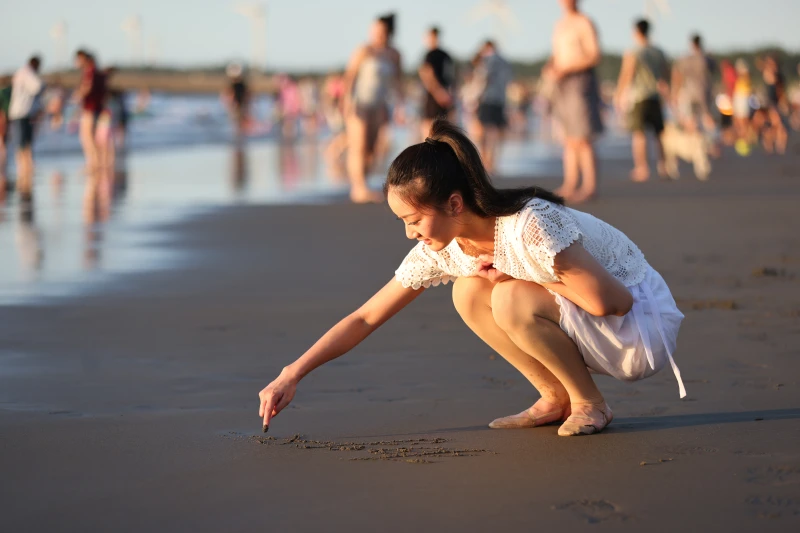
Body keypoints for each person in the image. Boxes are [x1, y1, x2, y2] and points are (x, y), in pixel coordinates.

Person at [258, 118, 686, 437]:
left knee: (506, 297)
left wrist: (514, 273)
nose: (410, 233)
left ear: (455, 204)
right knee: (468, 291)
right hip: (601, 322)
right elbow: (367, 317)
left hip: (640, 328)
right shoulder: (448, 248)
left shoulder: (528, 225)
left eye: (414, 220)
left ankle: (590, 403)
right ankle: (556, 397)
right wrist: (292, 373)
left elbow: (613, 302)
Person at [343, 13, 404, 203]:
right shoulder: (364, 50)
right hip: (359, 103)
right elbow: (350, 77)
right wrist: (345, 102)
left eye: (380, 30)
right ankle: (358, 188)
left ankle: (364, 181)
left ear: (388, 32)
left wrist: (400, 104)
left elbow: (397, 81)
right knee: (358, 145)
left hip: (380, 105)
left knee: (373, 149)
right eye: (374, 30)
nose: (376, 34)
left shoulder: (394, 54)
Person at [548, 0, 603, 203]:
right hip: (561, 81)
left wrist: (568, 68)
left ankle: (590, 186)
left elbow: (594, 55)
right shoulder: (559, 24)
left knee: (583, 135)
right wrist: (552, 67)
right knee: (568, 136)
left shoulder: (584, 22)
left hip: (580, 79)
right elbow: (557, 55)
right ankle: (570, 183)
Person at [614, 19, 669, 182]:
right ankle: (663, 166)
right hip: (655, 96)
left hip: (639, 97)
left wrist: (619, 94)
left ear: (636, 31)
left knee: (639, 134)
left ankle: (642, 168)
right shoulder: (659, 51)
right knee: (659, 133)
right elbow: (665, 73)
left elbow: (627, 74)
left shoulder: (634, 52)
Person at [473, 40, 511, 175]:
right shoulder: (505, 62)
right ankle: (493, 162)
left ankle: (485, 161)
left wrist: (476, 98)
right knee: (495, 132)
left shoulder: (488, 60)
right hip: (500, 100)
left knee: (484, 131)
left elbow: (484, 79)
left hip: (487, 99)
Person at [8, 56, 44, 196]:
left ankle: (25, 168)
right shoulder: (27, 73)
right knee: (22, 141)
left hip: (23, 112)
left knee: (24, 141)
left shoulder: (20, 73)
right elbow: (38, 87)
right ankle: (24, 168)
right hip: (22, 113)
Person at [672, 34, 716, 134]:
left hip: (688, 92)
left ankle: (694, 140)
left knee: (690, 119)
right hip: (703, 91)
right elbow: (713, 71)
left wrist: (675, 91)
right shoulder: (706, 59)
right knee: (707, 117)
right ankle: (712, 141)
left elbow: (677, 74)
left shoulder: (684, 59)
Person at [73, 50, 108, 171]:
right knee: (90, 136)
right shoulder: (98, 72)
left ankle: (93, 163)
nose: (76, 62)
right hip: (96, 107)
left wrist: (78, 94)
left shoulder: (90, 71)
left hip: (90, 108)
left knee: (86, 137)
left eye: (78, 59)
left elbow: (88, 87)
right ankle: (95, 162)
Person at [418, 26, 455, 139]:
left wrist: (440, 93)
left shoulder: (434, 55)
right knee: (437, 130)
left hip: (438, 98)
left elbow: (427, 74)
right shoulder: (442, 55)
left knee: (433, 130)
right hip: (440, 97)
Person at [759, 55, 788, 154]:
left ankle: (774, 145)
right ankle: (776, 146)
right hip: (769, 104)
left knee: (774, 126)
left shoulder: (779, 76)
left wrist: (783, 102)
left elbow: (781, 91)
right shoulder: (768, 74)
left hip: (776, 103)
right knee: (778, 125)